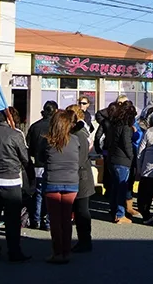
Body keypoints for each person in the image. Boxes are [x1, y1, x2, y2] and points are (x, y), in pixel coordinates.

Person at [0, 110, 31, 263]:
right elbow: (25, 159)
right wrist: (30, 180)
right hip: (11, 182)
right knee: (12, 220)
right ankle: (14, 251)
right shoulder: (15, 135)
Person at [42, 110, 80, 264]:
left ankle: (57, 252)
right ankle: (66, 251)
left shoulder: (47, 141)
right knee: (66, 219)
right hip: (71, 182)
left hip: (52, 181)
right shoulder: (76, 140)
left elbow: (39, 157)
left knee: (55, 221)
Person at [65, 105, 96, 253]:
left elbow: (81, 157)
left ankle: (85, 240)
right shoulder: (80, 132)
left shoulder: (80, 134)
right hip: (81, 174)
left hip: (81, 176)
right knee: (79, 210)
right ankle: (83, 240)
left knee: (82, 210)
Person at [26, 100, 58, 231]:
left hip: (38, 164)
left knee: (39, 193)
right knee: (51, 194)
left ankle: (36, 219)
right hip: (52, 164)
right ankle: (48, 222)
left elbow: (29, 147)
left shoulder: (35, 126)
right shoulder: (56, 127)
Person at [106, 102, 137, 224]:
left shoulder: (113, 126)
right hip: (122, 161)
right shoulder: (126, 128)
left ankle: (113, 211)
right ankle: (120, 214)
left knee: (115, 187)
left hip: (112, 159)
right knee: (121, 189)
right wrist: (132, 157)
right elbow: (127, 145)